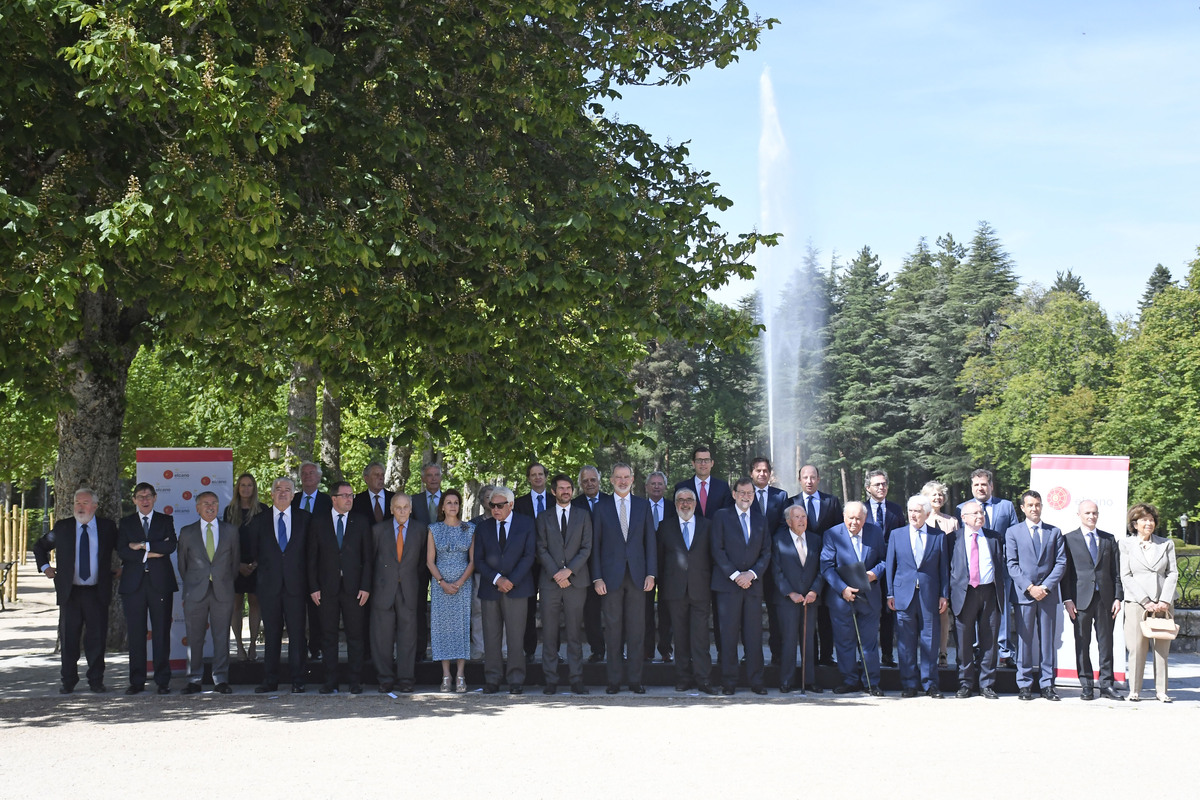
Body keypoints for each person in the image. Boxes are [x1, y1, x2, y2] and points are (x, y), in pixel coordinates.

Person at [34, 488, 117, 694]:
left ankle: (96, 680)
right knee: (69, 638)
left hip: (96, 592)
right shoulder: (63, 528)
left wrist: (124, 566)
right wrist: (46, 568)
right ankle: (68, 681)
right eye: (77, 503)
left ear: (95, 506)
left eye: (85, 503)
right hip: (70, 593)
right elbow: (40, 546)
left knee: (96, 639)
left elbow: (123, 547)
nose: (80, 507)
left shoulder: (107, 527)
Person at [591, 463, 657, 694]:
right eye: (618, 477)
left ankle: (635, 680)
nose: (622, 481)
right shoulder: (601, 507)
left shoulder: (643, 506)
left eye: (626, 477)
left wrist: (651, 573)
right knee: (613, 630)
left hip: (638, 577)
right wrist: (597, 577)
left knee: (637, 630)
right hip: (610, 578)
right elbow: (596, 546)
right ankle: (614, 681)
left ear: (632, 479)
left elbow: (650, 542)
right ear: (610, 480)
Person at [307, 480, 373, 694]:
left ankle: (355, 681)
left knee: (356, 636)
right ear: (333, 498)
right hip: (326, 589)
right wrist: (314, 586)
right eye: (344, 495)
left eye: (351, 495)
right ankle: (330, 681)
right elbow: (312, 559)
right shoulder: (318, 522)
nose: (349, 499)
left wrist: (365, 586)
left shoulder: (361, 522)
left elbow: (368, 558)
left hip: (355, 589)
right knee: (328, 636)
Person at [116, 482, 178, 695]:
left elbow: (170, 546)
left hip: (160, 584)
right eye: (140, 496)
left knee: (161, 633)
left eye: (148, 496)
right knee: (136, 634)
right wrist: (152, 551)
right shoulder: (126, 523)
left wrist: (142, 546)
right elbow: (123, 550)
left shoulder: (165, 520)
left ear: (155, 498)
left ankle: (163, 681)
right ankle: (136, 681)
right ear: (134, 499)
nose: (144, 500)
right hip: (133, 586)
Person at [251, 477, 312, 694]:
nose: (283, 493)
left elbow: (311, 555)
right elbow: (253, 552)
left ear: (294, 495)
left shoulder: (305, 519)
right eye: (278, 489)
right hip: (269, 587)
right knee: (271, 634)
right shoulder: (259, 521)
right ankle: (270, 679)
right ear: (271, 494)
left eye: (287, 490)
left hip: (296, 586)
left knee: (297, 635)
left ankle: (298, 679)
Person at [885, 495, 949, 698]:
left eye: (918, 511)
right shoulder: (897, 534)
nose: (913, 515)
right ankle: (909, 684)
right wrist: (890, 593)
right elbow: (890, 566)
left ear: (927, 514)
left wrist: (943, 595)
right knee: (905, 642)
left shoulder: (938, 536)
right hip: (903, 595)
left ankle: (930, 683)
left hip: (930, 596)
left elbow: (943, 569)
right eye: (910, 511)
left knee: (930, 641)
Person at [1005, 490, 1066, 701]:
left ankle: (1047, 684)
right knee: (1025, 641)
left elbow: (1061, 562)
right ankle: (1024, 684)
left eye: (1037, 505)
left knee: (1047, 641)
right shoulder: (1013, 532)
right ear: (1022, 508)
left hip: (1048, 595)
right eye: (1030, 505)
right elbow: (1011, 564)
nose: (1034, 509)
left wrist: (1046, 587)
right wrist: (1030, 587)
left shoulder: (1054, 532)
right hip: (1025, 595)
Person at [820, 502, 886, 696]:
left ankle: (871, 683)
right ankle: (849, 681)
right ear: (843, 516)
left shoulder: (875, 532)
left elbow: (884, 560)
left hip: (870, 597)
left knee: (869, 643)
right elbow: (826, 566)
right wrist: (843, 589)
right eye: (850, 518)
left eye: (858, 518)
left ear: (865, 519)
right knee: (844, 642)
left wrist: (875, 573)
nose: (854, 522)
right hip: (843, 599)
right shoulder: (832, 534)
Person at [710, 477, 769, 695]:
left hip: (752, 586)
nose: (746, 497)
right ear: (734, 494)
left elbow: (766, 552)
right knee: (728, 636)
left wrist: (751, 574)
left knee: (754, 636)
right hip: (728, 586)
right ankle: (729, 681)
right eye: (742, 493)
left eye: (750, 493)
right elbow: (717, 549)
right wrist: (736, 576)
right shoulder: (721, 516)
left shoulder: (761, 520)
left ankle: (756, 681)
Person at [177, 491, 240, 694]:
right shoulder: (187, 532)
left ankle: (220, 679)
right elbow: (182, 566)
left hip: (223, 590)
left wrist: (223, 580)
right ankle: (194, 679)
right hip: (195, 592)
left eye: (214, 503)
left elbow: (235, 563)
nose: (210, 507)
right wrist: (196, 582)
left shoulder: (231, 531)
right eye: (206, 503)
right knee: (194, 637)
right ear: (197, 508)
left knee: (221, 636)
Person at [475, 487, 536, 693]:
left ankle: (516, 680)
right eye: (492, 505)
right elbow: (478, 559)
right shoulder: (483, 528)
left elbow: (529, 556)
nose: (495, 509)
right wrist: (497, 579)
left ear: (511, 505)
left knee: (516, 636)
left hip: (517, 589)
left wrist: (511, 580)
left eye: (500, 505)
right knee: (491, 637)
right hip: (491, 589)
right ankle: (492, 679)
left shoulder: (526, 523)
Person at [535, 474, 592, 695]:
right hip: (550, 583)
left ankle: (576, 679)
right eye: (561, 488)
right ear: (553, 491)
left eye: (569, 488)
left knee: (575, 633)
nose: (566, 491)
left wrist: (569, 571)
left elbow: (586, 548)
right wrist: (557, 573)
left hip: (576, 582)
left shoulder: (583, 516)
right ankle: (551, 679)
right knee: (549, 633)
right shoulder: (543, 517)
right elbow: (541, 548)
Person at [1062, 500, 1123, 701]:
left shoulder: (1108, 539)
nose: (1091, 516)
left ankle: (1106, 684)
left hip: (1105, 598)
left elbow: (1116, 572)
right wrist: (1067, 599)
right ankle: (1086, 684)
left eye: (1094, 513)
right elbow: (1066, 573)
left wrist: (1117, 597)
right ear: (1078, 514)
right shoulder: (1068, 539)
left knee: (1106, 643)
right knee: (1082, 643)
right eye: (1087, 513)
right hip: (1080, 600)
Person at [957, 468, 1019, 666]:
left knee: (1000, 613)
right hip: (973, 572)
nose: (980, 488)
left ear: (991, 486)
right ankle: (977, 649)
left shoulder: (1006, 506)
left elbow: (1013, 536)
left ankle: (1005, 651)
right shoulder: (962, 508)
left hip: (1001, 571)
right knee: (974, 612)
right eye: (976, 485)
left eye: (984, 484)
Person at [782, 464, 843, 665]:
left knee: (825, 614)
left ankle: (826, 656)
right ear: (799, 479)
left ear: (818, 479)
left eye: (813, 477)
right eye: (805, 477)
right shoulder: (791, 502)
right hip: (800, 568)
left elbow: (838, 533)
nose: (809, 481)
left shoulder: (831, 502)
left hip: (825, 566)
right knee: (805, 619)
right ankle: (810, 660)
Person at [657, 487, 715, 694]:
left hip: (701, 589)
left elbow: (713, 558)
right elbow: (660, 560)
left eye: (689, 499)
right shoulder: (665, 527)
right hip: (674, 591)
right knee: (680, 638)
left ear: (695, 503)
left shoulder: (708, 526)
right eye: (680, 500)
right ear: (675, 504)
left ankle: (704, 679)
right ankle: (683, 678)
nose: (685, 503)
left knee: (700, 638)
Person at [1120, 503, 1178, 703]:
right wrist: (1145, 601)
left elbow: (1172, 573)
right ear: (1134, 524)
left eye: (1151, 519)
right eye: (1144, 519)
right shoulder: (1125, 544)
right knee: (1136, 647)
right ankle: (1134, 690)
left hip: (1163, 603)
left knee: (1161, 649)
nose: (1148, 523)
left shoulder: (1166, 544)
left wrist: (1164, 600)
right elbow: (1126, 575)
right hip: (1137, 603)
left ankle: (1161, 690)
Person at [948, 501, 1005, 699]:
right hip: (964, 594)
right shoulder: (952, 539)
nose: (980, 516)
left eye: (981, 513)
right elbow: (947, 569)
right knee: (964, 640)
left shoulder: (994, 538)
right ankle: (965, 683)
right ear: (963, 518)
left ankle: (987, 684)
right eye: (975, 513)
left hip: (989, 592)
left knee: (989, 639)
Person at [371, 493, 427, 693]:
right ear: (391, 509)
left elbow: (423, 562)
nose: (402, 511)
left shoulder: (421, 531)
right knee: (382, 638)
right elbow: (372, 561)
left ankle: (406, 679)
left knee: (408, 638)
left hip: (409, 590)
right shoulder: (378, 531)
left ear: (411, 509)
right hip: (383, 591)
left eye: (406, 507)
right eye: (398, 507)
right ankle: (385, 679)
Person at [427, 489, 475, 692]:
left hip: (463, 586)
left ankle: (461, 674)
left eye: (456, 502)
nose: (453, 506)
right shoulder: (434, 529)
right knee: (442, 629)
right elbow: (430, 560)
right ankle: (446, 674)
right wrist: (442, 582)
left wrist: (460, 581)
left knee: (461, 627)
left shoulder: (470, 528)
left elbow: (473, 561)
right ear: (442, 507)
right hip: (441, 587)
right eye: (449, 502)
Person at [772, 505, 824, 693]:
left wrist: (814, 591)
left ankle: (809, 680)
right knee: (788, 640)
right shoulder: (778, 540)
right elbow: (776, 570)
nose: (801, 520)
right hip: (787, 600)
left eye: (804, 516)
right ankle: (786, 680)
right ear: (788, 522)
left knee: (808, 640)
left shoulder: (816, 540)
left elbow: (821, 568)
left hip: (810, 599)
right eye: (797, 517)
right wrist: (790, 592)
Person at [225, 472, 268, 661]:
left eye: (249, 485)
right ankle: (240, 648)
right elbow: (225, 542)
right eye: (242, 485)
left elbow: (268, 540)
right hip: (235, 564)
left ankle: (252, 647)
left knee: (255, 603)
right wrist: (238, 565)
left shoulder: (263, 509)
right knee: (235, 605)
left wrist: (256, 563)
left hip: (257, 563)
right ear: (237, 488)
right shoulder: (229, 511)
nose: (246, 488)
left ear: (254, 487)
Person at [749, 457, 787, 665]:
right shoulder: (744, 493)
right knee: (749, 611)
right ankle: (750, 652)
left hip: (772, 562)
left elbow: (783, 525)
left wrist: (769, 548)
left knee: (774, 610)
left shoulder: (780, 496)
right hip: (748, 562)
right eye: (758, 470)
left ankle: (777, 653)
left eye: (765, 471)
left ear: (770, 473)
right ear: (751, 473)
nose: (762, 474)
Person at [864, 469, 903, 667]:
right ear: (868, 487)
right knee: (867, 612)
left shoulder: (896, 510)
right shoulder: (860, 509)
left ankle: (887, 654)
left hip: (891, 568)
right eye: (877, 484)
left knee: (888, 614)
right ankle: (865, 656)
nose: (881, 487)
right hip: (867, 569)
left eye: (884, 484)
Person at [294, 461, 331, 663]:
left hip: (320, 563)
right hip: (295, 563)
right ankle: (299, 648)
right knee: (297, 608)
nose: (308, 476)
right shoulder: (293, 499)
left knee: (318, 609)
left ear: (318, 477)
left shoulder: (327, 501)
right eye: (304, 473)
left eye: (311, 473)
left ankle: (317, 647)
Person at [573, 465, 609, 662]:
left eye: (592, 480)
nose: (589, 483)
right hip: (584, 567)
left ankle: (617, 649)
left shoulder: (611, 501)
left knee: (614, 611)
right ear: (580, 483)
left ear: (599, 480)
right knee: (591, 612)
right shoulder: (574, 504)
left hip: (611, 564)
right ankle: (597, 650)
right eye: (585, 481)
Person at [514, 462, 550, 664]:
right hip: (527, 563)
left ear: (545, 477)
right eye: (533, 475)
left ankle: (552, 651)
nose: (537, 478)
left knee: (551, 609)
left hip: (551, 564)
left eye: (540, 474)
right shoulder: (519, 504)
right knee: (527, 608)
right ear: (528, 478)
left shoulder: (555, 500)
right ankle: (529, 650)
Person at [921, 480, 958, 667]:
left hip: (946, 575)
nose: (937, 497)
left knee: (944, 615)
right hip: (926, 576)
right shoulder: (919, 519)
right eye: (933, 494)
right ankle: (926, 653)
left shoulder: (952, 521)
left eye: (940, 494)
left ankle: (943, 653)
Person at [643, 470, 673, 663]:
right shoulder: (639, 507)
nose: (656, 486)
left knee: (666, 609)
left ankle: (665, 649)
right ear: (646, 487)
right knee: (644, 609)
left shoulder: (673, 507)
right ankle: (646, 650)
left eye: (659, 483)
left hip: (669, 565)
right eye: (652, 483)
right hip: (645, 566)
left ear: (665, 486)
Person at [674, 446, 732, 519]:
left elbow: (727, 514)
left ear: (712, 463)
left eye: (706, 460)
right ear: (693, 463)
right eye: (699, 460)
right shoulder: (681, 487)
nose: (703, 464)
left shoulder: (722, 487)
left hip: (716, 529)